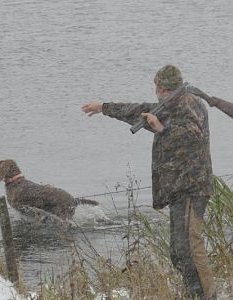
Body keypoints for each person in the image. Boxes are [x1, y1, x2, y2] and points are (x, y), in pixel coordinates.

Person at [81, 65, 216, 300]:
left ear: (163, 88)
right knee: (177, 251)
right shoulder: (171, 104)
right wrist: (104, 108)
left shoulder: (190, 104)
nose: (156, 92)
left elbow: (194, 135)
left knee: (189, 248)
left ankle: (208, 296)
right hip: (178, 189)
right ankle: (194, 294)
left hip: (192, 188)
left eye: (158, 88)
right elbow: (139, 110)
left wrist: (162, 128)